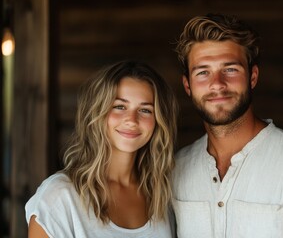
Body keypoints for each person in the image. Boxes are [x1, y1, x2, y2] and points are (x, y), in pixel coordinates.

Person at [171, 13, 283, 237]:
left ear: (253, 77)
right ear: (187, 85)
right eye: (203, 72)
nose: (217, 84)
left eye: (230, 69)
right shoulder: (175, 170)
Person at [25, 60, 178, 237]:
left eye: (145, 110)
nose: (131, 120)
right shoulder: (59, 197)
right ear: (98, 112)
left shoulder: (161, 193)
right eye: (119, 107)